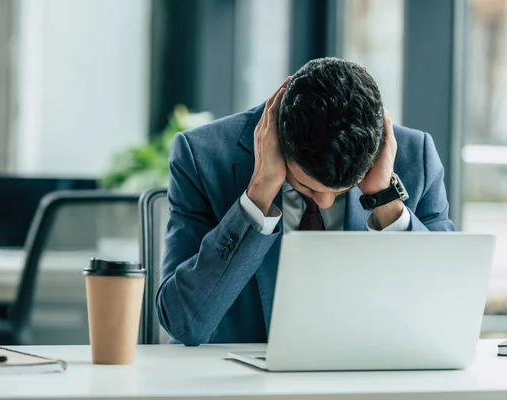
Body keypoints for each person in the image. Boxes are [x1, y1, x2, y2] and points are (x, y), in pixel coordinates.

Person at [157, 57, 455, 346]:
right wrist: (258, 196)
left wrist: (386, 199)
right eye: (307, 187)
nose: (325, 203)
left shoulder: (416, 157)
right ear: (275, 137)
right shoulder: (200, 157)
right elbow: (184, 324)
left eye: (341, 191)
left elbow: (449, 311)